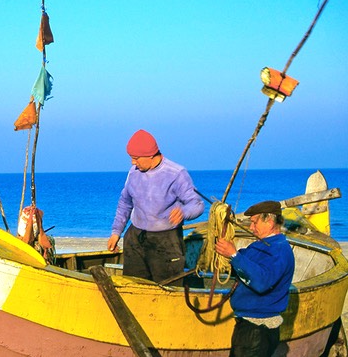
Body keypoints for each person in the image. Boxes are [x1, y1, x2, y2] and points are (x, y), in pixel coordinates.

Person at [108, 129, 204, 284]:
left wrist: (183, 212)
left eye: (136, 158)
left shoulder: (176, 173)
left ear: (150, 155)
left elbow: (197, 204)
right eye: (132, 158)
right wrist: (116, 232)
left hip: (166, 240)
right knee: (133, 286)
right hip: (136, 238)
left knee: (168, 288)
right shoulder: (133, 172)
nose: (133, 163)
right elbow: (125, 203)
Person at [215, 200, 295, 357]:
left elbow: (262, 282)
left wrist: (234, 254)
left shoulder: (278, 250)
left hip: (257, 330)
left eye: (254, 222)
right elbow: (246, 264)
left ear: (270, 221)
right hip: (250, 327)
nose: (251, 228)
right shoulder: (262, 246)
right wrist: (230, 255)